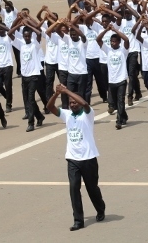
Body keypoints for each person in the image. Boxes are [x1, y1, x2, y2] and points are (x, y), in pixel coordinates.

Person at [47, 84, 106, 231]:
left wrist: (66, 91)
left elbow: (85, 104)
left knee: (92, 188)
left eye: (75, 102)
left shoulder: (88, 114)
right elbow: (50, 107)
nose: (72, 104)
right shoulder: (67, 115)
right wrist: (56, 94)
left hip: (89, 158)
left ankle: (100, 209)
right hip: (73, 159)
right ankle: (78, 220)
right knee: (74, 188)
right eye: (70, 102)